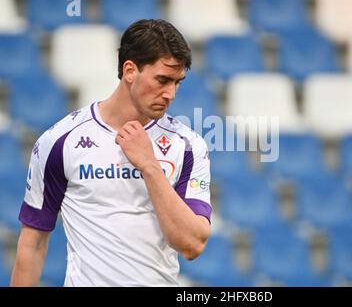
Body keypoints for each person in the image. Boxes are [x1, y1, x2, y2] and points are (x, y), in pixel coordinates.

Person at [10, 19, 212, 286]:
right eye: (163, 80)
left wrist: (150, 166)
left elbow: (192, 245)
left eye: (177, 83)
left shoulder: (188, 145)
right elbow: (33, 243)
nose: (171, 94)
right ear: (130, 70)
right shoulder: (60, 141)